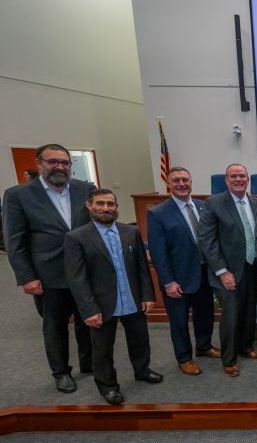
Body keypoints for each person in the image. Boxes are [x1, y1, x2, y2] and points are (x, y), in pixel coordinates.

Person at [2, 143, 94, 393]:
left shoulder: (84, 189)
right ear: (39, 163)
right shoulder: (18, 195)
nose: (60, 167)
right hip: (48, 274)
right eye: (53, 162)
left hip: (85, 271)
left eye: (65, 163)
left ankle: (89, 362)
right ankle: (61, 372)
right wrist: (26, 276)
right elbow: (15, 241)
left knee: (89, 319)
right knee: (54, 325)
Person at [64, 189, 163, 405]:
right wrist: (88, 310)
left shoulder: (131, 232)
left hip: (132, 299)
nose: (106, 208)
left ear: (116, 207)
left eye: (110, 204)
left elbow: (141, 267)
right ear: (89, 206)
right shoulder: (76, 238)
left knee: (140, 339)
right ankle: (108, 386)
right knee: (102, 348)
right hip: (101, 304)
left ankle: (142, 369)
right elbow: (77, 279)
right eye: (100, 204)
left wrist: (148, 294)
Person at [147, 167, 219, 376]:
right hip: (177, 279)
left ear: (191, 181)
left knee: (205, 314)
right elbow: (158, 253)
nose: (181, 184)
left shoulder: (202, 206)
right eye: (176, 180)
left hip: (204, 273)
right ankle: (184, 357)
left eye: (185, 180)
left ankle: (204, 346)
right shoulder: (158, 213)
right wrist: (168, 281)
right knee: (179, 321)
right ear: (169, 184)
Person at [197, 163, 257, 377]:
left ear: (248, 180)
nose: (238, 179)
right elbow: (206, 240)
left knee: (248, 309)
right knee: (230, 316)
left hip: (252, 266)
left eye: (242, 176)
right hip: (227, 271)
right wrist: (221, 271)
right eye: (233, 176)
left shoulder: (256, 203)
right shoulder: (214, 203)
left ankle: (246, 347)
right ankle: (229, 359)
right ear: (226, 180)